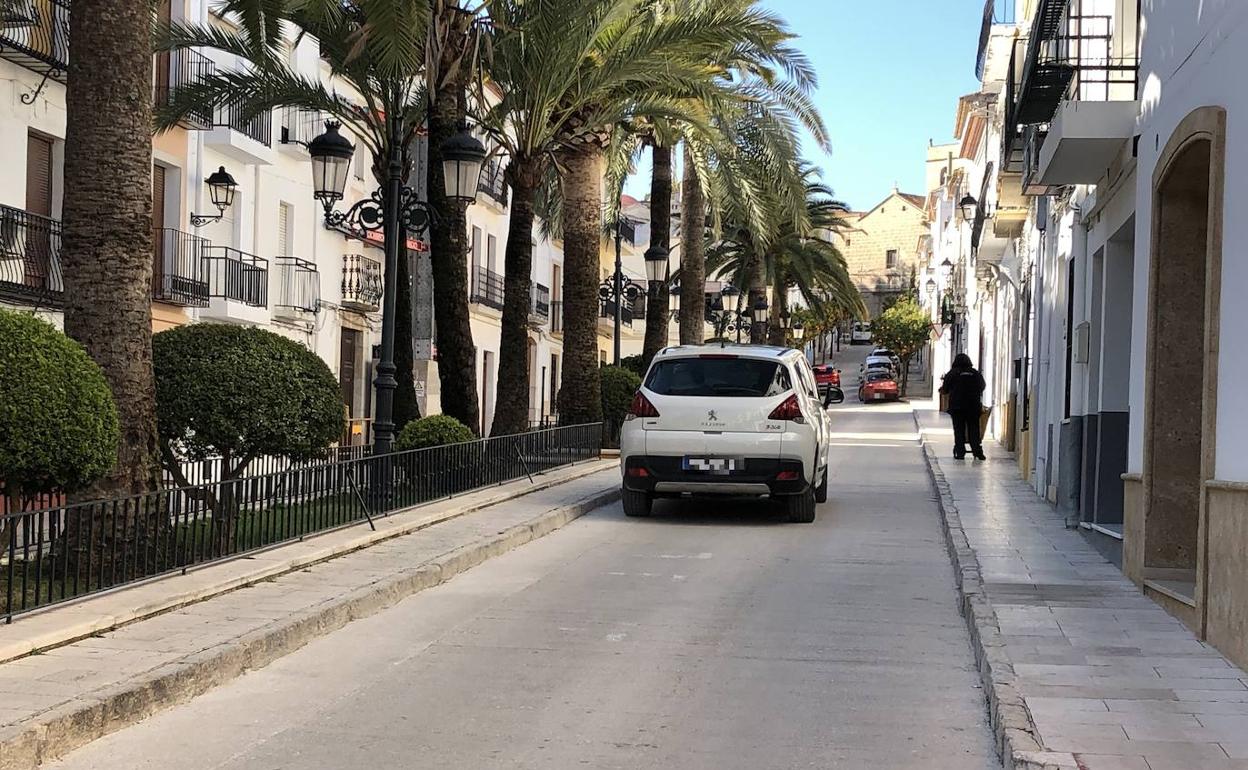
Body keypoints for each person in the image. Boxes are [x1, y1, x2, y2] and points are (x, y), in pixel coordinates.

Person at [940, 353, 986, 461]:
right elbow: (982, 386)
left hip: (957, 407)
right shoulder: (975, 373)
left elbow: (945, 389)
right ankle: (977, 451)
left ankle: (960, 452)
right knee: (974, 429)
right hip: (973, 406)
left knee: (959, 429)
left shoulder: (952, 373)